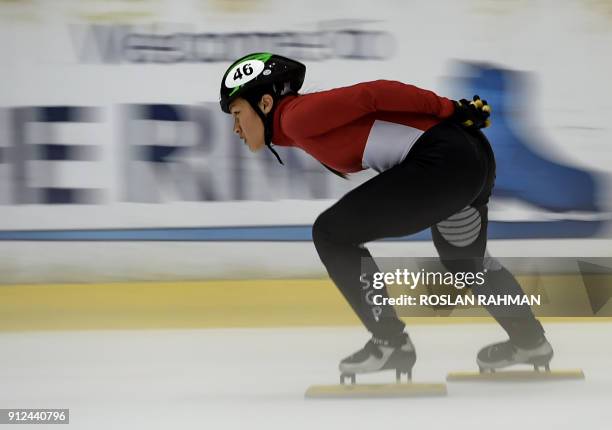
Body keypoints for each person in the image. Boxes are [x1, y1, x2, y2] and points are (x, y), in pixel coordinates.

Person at [219, 52, 553, 381]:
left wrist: (450, 108)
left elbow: (375, 94)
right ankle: (530, 342)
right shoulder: (293, 127)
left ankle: (389, 343)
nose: (235, 128)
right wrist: (454, 115)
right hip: (469, 160)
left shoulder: (296, 116)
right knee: (466, 262)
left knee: (331, 234)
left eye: (236, 113)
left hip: (444, 161)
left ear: (264, 104)